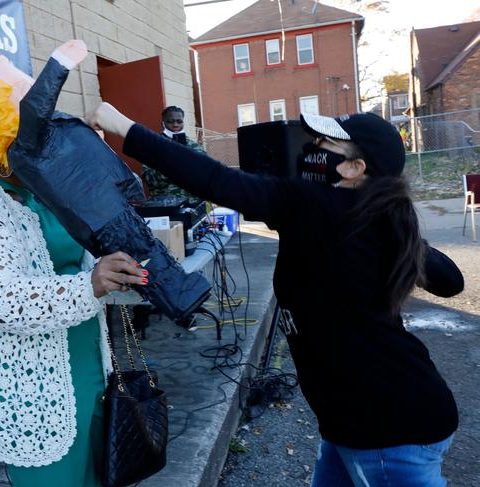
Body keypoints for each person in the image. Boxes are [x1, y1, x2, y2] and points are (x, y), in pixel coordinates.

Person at [88, 103, 464, 487]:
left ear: (354, 168)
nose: (311, 147)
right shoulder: (371, 215)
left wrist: (122, 125)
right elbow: (450, 281)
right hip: (357, 423)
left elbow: (215, 180)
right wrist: (402, 237)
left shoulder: (316, 205)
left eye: (323, 142)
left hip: (386, 432)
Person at [0, 41, 148, 487]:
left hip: (84, 361)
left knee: (94, 474)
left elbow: (95, 242)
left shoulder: (48, 189)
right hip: (28, 387)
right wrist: (91, 285)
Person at [142, 106, 204, 199]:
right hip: (167, 204)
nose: (175, 125)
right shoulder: (153, 146)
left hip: (193, 204)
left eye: (179, 121)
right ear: (163, 123)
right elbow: (149, 179)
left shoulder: (193, 146)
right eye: (170, 121)